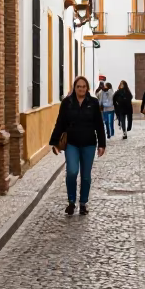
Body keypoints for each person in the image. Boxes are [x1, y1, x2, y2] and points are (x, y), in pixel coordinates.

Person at [49, 75, 107, 216]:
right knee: (72, 172)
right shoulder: (67, 103)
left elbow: (99, 125)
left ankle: (83, 203)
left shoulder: (93, 103)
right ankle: (71, 201)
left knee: (86, 176)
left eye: (83, 86)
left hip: (89, 144)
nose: (81, 89)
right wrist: (55, 142)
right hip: (72, 144)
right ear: (74, 88)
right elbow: (60, 123)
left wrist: (102, 144)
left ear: (87, 88)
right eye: (78, 86)